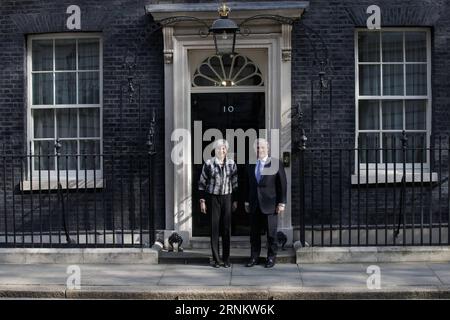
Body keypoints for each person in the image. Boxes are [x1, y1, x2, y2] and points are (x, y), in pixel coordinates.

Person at [245, 138, 287, 268]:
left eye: (262, 147)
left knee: (271, 233)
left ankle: (271, 257)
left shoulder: (275, 163)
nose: (260, 150)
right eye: (257, 148)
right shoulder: (250, 163)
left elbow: (282, 184)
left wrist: (281, 203)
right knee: (254, 234)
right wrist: (247, 201)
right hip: (254, 203)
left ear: (267, 149)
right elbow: (247, 184)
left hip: (271, 204)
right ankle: (254, 257)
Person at [198, 139, 238, 268]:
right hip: (213, 198)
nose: (222, 151)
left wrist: (235, 200)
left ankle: (226, 259)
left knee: (226, 229)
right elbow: (202, 183)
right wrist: (202, 201)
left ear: (227, 150)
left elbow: (235, 183)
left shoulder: (232, 164)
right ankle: (216, 259)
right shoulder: (209, 163)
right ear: (215, 150)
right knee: (214, 229)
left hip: (227, 197)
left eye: (224, 148)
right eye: (219, 148)